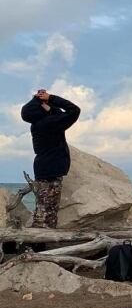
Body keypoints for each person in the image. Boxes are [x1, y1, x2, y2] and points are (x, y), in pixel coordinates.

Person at [20, 89, 81, 229]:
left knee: (42, 208)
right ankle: (42, 243)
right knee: (50, 211)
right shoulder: (50, 122)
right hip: (52, 170)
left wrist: (45, 104)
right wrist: (51, 98)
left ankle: (37, 242)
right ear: (40, 110)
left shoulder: (36, 124)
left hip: (43, 169)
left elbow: (57, 114)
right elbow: (74, 110)